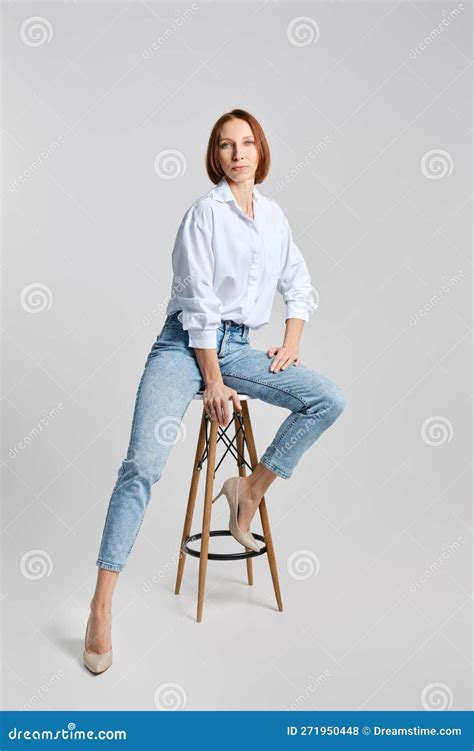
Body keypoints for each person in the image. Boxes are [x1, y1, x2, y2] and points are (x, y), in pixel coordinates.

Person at [83, 109, 346, 673]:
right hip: (183, 347)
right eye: (226, 146)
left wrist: (291, 339)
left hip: (241, 346)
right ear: (216, 156)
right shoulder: (203, 215)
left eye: (247, 142)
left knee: (328, 398)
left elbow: (298, 284)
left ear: (260, 149)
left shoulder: (274, 218)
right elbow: (197, 303)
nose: (237, 154)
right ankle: (101, 605)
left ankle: (249, 488)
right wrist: (213, 379)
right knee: (142, 466)